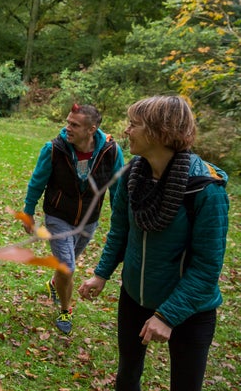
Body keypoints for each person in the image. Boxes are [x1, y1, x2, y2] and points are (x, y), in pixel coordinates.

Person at [79, 95, 229, 391]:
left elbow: (207, 268)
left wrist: (167, 315)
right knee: (127, 376)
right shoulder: (132, 175)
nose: (126, 131)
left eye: (133, 125)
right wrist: (101, 274)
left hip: (190, 310)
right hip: (134, 297)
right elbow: (120, 231)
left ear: (161, 132)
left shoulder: (205, 190)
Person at [21, 103, 124, 333]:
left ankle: (55, 284)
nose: (67, 127)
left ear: (91, 129)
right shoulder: (54, 149)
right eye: (68, 122)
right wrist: (28, 210)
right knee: (67, 266)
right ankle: (65, 310)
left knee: (65, 264)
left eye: (74, 125)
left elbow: (118, 188)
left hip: (90, 218)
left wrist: (121, 218)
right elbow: (37, 181)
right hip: (58, 215)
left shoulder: (111, 151)